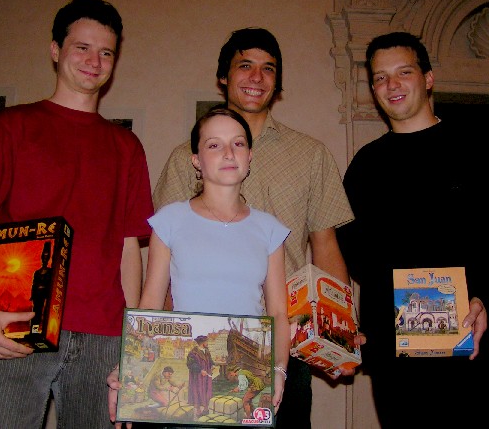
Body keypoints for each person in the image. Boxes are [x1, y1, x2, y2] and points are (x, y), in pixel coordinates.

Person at [150, 27, 359, 429]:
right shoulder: (183, 159)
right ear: (223, 77)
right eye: (245, 65)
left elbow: (326, 246)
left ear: (277, 82)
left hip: (288, 342)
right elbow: (166, 261)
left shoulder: (311, 155)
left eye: (268, 68)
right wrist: (162, 343)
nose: (257, 77)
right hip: (204, 341)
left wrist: (341, 334)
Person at [0, 0, 153, 428]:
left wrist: (135, 344)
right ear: (55, 50)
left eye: (106, 53)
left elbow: (129, 249)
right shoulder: (9, 127)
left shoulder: (127, 147)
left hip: (104, 339)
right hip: (16, 325)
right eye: (82, 47)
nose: (94, 61)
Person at [336, 31, 488, 428]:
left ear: (428, 78)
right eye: (380, 77)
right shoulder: (365, 166)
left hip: (470, 338)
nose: (392, 85)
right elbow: (351, 254)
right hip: (394, 353)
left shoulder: (475, 149)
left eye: (403, 72)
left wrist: (485, 297)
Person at [108, 106, 291, 428]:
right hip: (187, 390)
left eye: (238, 143)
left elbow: (278, 312)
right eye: (214, 144)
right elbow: (151, 304)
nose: (228, 153)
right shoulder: (169, 221)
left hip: (251, 388)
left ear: (250, 156)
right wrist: (128, 367)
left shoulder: (270, 229)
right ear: (196, 160)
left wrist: (278, 371)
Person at [186, 335, 214, 419]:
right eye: (206, 342)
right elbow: (190, 364)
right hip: (198, 377)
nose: (207, 343)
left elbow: (210, 360)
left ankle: (205, 409)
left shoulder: (207, 351)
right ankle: (198, 411)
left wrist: (212, 365)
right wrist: (200, 370)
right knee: (197, 392)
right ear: (202, 342)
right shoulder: (193, 353)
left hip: (206, 376)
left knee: (207, 392)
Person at [30, 241, 52, 334]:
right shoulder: (37, 272)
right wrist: (32, 295)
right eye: (43, 256)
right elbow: (34, 284)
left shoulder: (50, 271)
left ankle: (45, 332)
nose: (45, 259)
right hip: (37, 296)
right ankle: (34, 331)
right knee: (36, 314)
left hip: (46, 295)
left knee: (46, 313)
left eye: (47, 257)